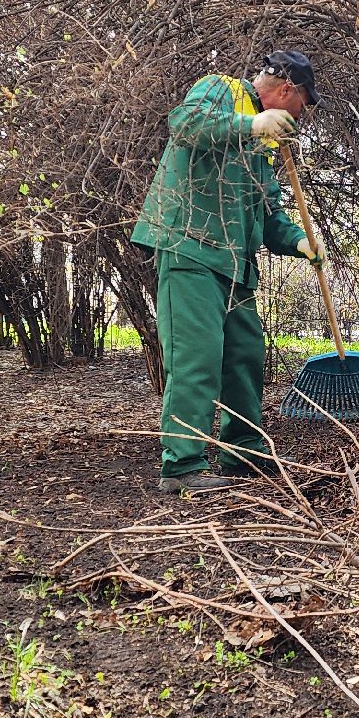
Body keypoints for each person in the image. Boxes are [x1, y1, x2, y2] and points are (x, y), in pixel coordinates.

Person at [131, 51, 323, 494]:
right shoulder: (220, 89)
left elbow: (268, 209)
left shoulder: (265, 146)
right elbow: (186, 124)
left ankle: (244, 453)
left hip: (235, 265)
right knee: (195, 359)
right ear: (286, 90)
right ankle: (183, 465)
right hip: (191, 248)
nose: (302, 115)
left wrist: (298, 240)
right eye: (303, 104)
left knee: (244, 357)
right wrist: (252, 125)